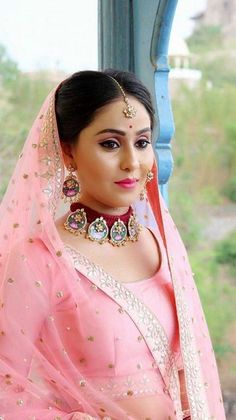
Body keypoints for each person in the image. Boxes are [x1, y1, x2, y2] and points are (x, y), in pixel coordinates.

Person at [0, 69, 225, 420]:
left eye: (142, 142)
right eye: (110, 143)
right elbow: (5, 386)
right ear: (68, 151)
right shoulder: (38, 258)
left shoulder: (158, 244)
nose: (131, 163)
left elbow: (188, 369)